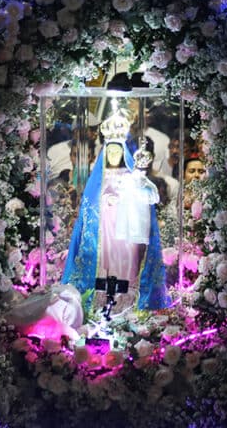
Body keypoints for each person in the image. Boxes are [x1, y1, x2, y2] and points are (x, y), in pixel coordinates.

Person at [61, 112, 167, 311]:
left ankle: (125, 303)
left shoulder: (131, 177)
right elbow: (89, 206)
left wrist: (141, 184)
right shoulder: (98, 180)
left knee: (124, 261)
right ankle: (98, 301)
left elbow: (150, 197)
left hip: (124, 231)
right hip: (103, 229)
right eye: (109, 151)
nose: (113, 155)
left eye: (117, 151)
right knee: (103, 261)